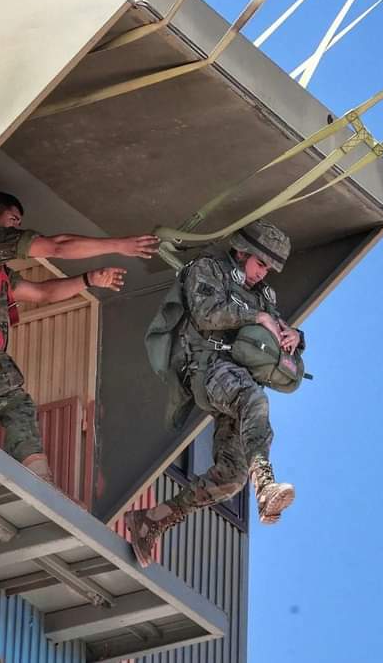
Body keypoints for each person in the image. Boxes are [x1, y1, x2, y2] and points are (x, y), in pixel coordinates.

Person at [0, 190, 159, 481]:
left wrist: (88, 280)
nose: (16, 229)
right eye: (13, 220)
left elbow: (43, 293)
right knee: (15, 405)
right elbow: (55, 247)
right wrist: (121, 245)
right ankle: (38, 479)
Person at [127, 219, 304, 567]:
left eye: (268, 269)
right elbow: (206, 314)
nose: (262, 274)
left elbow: (273, 330)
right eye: (260, 264)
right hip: (206, 367)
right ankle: (265, 482)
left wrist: (293, 335)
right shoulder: (207, 268)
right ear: (243, 251)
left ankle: (152, 520)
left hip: (236, 377)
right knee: (254, 400)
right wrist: (257, 318)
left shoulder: (264, 295)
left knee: (231, 477)